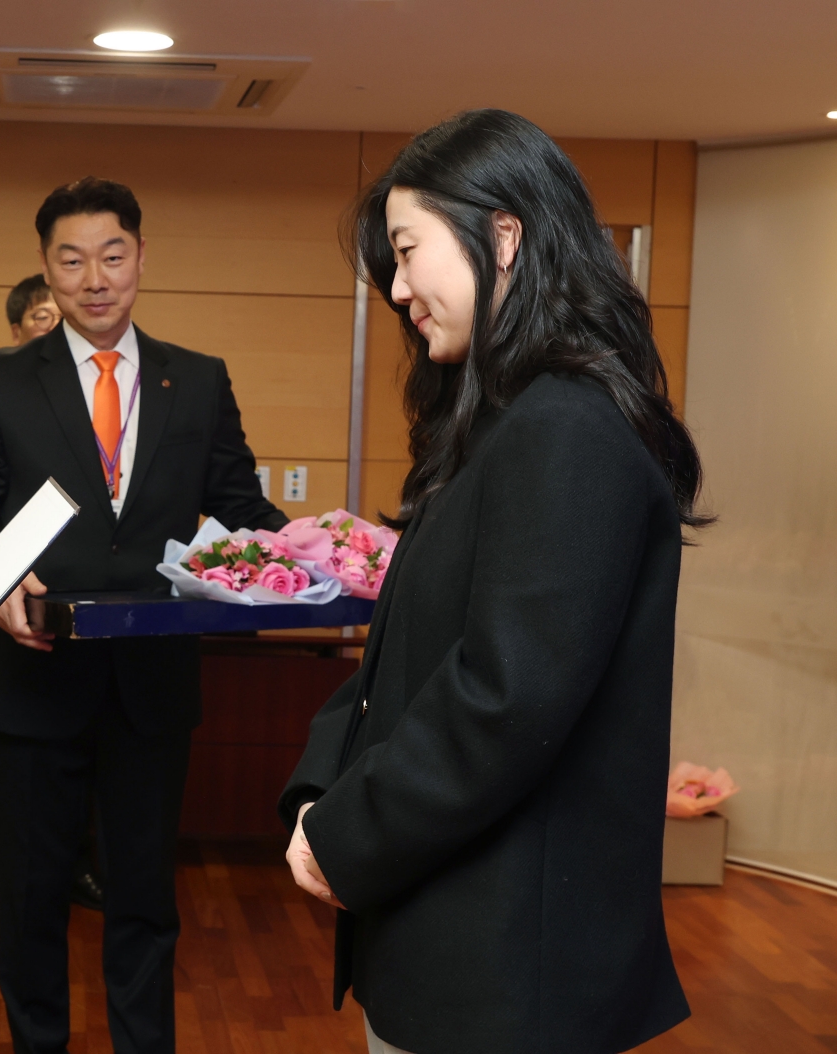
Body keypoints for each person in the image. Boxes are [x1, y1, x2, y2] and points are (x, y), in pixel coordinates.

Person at [279, 109, 704, 1054]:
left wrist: (347, 833)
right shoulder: (503, 423)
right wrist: (319, 793)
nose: (396, 288)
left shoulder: (567, 428)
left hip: (511, 972)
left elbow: (503, 700)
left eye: (406, 250)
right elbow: (405, 653)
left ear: (503, 234)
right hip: (457, 942)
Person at [0, 176, 286, 1054]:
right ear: (47, 271)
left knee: (143, 897)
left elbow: (243, 506)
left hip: (151, 686)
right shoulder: (0, 379)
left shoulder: (196, 382)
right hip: (32, 676)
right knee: (31, 900)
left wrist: (325, 548)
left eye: (113, 254)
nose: (95, 277)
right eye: (71, 258)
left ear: (139, 257)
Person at [0, 272, 104, 920]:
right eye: (41, 317)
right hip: (13, 606)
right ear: (18, 330)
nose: (54, 326)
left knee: (86, 757)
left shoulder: (102, 400)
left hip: (88, 615)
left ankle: (76, 868)